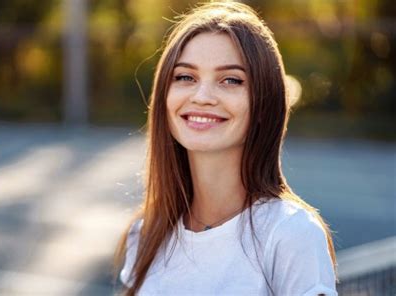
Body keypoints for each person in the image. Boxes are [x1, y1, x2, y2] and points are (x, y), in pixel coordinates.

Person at [114, 1, 338, 295]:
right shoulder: (146, 234)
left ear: (263, 104)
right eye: (185, 77)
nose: (203, 96)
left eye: (230, 80)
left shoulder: (291, 235)